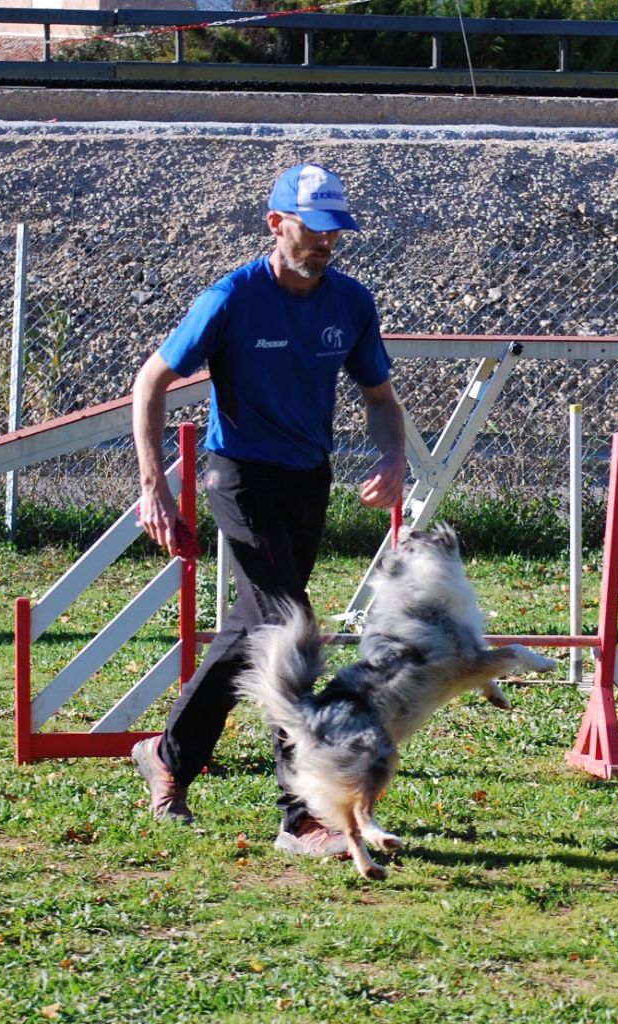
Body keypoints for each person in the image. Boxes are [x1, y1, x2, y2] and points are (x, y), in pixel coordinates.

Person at [130, 163, 406, 857]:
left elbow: (379, 400)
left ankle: (166, 755)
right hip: (239, 475)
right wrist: (153, 486)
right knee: (291, 628)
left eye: (334, 231)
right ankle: (303, 814)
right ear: (275, 222)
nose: (324, 243)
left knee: (255, 630)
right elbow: (151, 382)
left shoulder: (349, 302)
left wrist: (392, 459)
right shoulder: (230, 299)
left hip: (307, 478)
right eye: (312, 228)